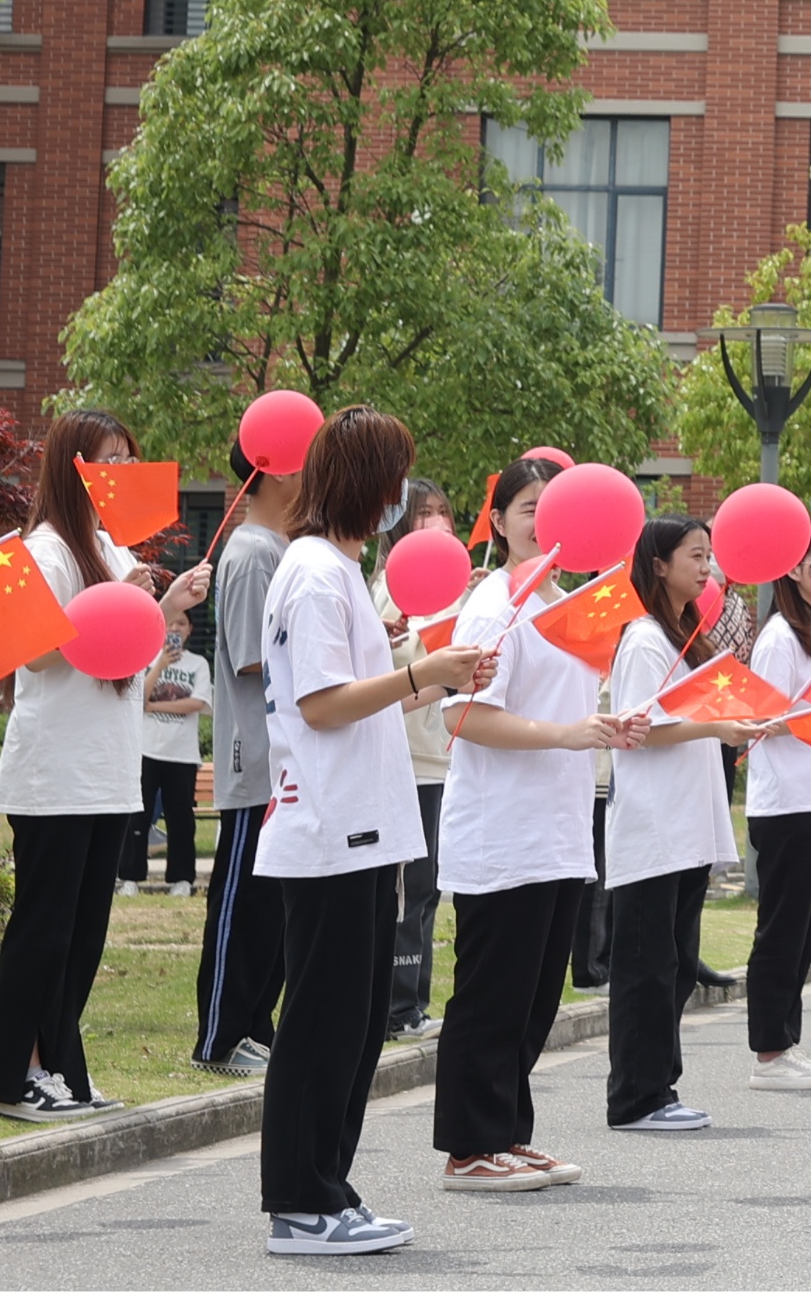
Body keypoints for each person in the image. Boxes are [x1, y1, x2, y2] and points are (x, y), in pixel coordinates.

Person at [253, 406, 494, 1259]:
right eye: (395, 479)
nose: (400, 497)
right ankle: (298, 1200)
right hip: (328, 831)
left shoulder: (337, 570)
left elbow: (355, 698)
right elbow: (320, 706)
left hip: (357, 827)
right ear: (368, 484)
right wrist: (421, 670)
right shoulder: (316, 573)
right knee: (323, 1024)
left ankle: (328, 1189)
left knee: (351, 1028)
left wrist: (429, 679)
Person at [0, 410, 207, 1122]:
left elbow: (128, 673)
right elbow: (32, 654)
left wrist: (162, 605)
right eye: (104, 460)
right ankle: (15, 1073)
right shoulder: (44, 550)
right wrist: (118, 601)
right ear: (71, 467)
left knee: (84, 933)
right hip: (55, 772)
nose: (117, 475)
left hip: (109, 769)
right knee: (44, 929)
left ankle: (63, 1069)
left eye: (124, 460)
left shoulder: (110, 547)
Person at [432, 457, 639, 1193]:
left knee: (532, 999)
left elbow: (567, 709)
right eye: (527, 508)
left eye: (554, 506)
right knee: (491, 995)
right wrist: (566, 735)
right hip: (503, 831)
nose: (543, 520)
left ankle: (507, 1133)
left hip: (557, 830)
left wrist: (606, 725)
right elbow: (460, 714)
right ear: (499, 522)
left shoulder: (571, 605)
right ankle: (468, 1146)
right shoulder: (496, 607)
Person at [605, 517, 768, 1137]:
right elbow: (637, 729)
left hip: (686, 827)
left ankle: (660, 1087)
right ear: (658, 564)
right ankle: (635, 1098)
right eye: (695, 556)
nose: (707, 569)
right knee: (647, 968)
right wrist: (717, 727)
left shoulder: (681, 639)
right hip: (653, 831)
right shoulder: (644, 640)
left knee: (675, 964)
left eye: (710, 557)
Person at [194, 438, 299, 1074]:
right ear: (277, 467)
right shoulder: (253, 551)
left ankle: (254, 1024)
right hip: (253, 757)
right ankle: (220, 1037)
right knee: (241, 903)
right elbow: (250, 654)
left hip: (286, 760)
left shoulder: (283, 549)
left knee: (273, 909)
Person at [743, 524, 811, 1091]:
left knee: (807, 927)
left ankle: (786, 1042)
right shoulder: (780, 639)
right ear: (794, 569)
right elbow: (763, 721)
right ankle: (769, 1052)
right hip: (785, 802)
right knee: (783, 928)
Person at [382, 480, 457, 1043]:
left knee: (427, 885)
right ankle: (397, 1006)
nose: (436, 523)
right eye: (423, 513)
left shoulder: (451, 588)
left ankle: (414, 1002)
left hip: (439, 757)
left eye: (443, 513)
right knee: (408, 886)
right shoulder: (390, 586)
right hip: (405, 757)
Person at [137, 593, 209, 890]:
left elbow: (197, 703)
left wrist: (155, 707)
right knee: (137, 818)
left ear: (189, 629)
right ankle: (130, 875)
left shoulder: (198, 664)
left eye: (182, 623)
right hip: (146, 750)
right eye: (171, 622)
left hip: (181, 754)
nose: (176, 629)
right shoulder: (145, 659)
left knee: (181, 820)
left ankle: (182, 878)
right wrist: (160, 666)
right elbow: (137, 699)